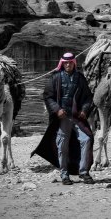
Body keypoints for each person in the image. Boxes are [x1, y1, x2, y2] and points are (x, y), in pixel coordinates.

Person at [31, 52, 94, 185]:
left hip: (77, 117)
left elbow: (88, 97)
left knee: (87, 139)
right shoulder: (55, 78)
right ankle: (64, 175)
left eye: (70, 62)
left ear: (74, 63)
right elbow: (48, 96)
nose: (68, 64)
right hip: (62, 118)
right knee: (62, 145)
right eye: (65, 62)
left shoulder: (80, 78)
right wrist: (57, 110)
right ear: (62, 63)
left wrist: (84, 110)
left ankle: (84, 172)